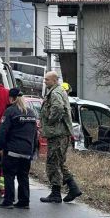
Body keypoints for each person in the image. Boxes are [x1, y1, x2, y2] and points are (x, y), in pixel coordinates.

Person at [39, 71, 82, 203]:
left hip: (57, 134)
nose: (45, 81)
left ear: (54, 80)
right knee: (59, 162)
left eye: (47, 79)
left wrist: (50, 120)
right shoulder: (58, 91)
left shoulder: (55, 93)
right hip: (61, 134)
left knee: (52, 163)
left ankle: (56, 193)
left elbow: (58, 108)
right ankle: (73, 188)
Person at [0, 88, 38, 209]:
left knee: (9, 175)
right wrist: (32, 149)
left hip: (12, 150)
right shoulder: (31, 113)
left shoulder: (10, 111)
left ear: (12, 98)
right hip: (27, 151)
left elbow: (3, 130)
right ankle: (24, 201)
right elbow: (35, 134)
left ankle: (8, 201)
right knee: (23, 176)